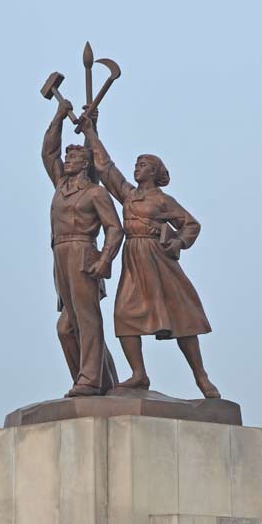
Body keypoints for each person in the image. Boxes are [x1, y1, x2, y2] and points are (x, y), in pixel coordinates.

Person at [78, 115, 220, 398]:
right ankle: (139, 373)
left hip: (159, 260)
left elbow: (191, 224)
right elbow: (106, 168)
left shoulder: (163, 201)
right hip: (134, 258)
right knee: (124, 314)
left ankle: (201, 376)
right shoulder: (128, 195)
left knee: (182, 317)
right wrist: (91, 133)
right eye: (137, 164)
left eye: (143, 165)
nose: (137, 168)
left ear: (155, 172)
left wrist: (178, 243)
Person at [42, 97, 124, 396]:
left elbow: (115, 228)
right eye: (67, 157)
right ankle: (97, 381)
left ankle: (89, 381)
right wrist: (59, 116)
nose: (66, 160)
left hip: (83, 252)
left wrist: (104, 260)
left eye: (74, 157)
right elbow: (47, 151)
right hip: (59, 255)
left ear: (85, 163)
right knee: (67, 327)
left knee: (86, 320)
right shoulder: (61, 185)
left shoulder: (94, 194)